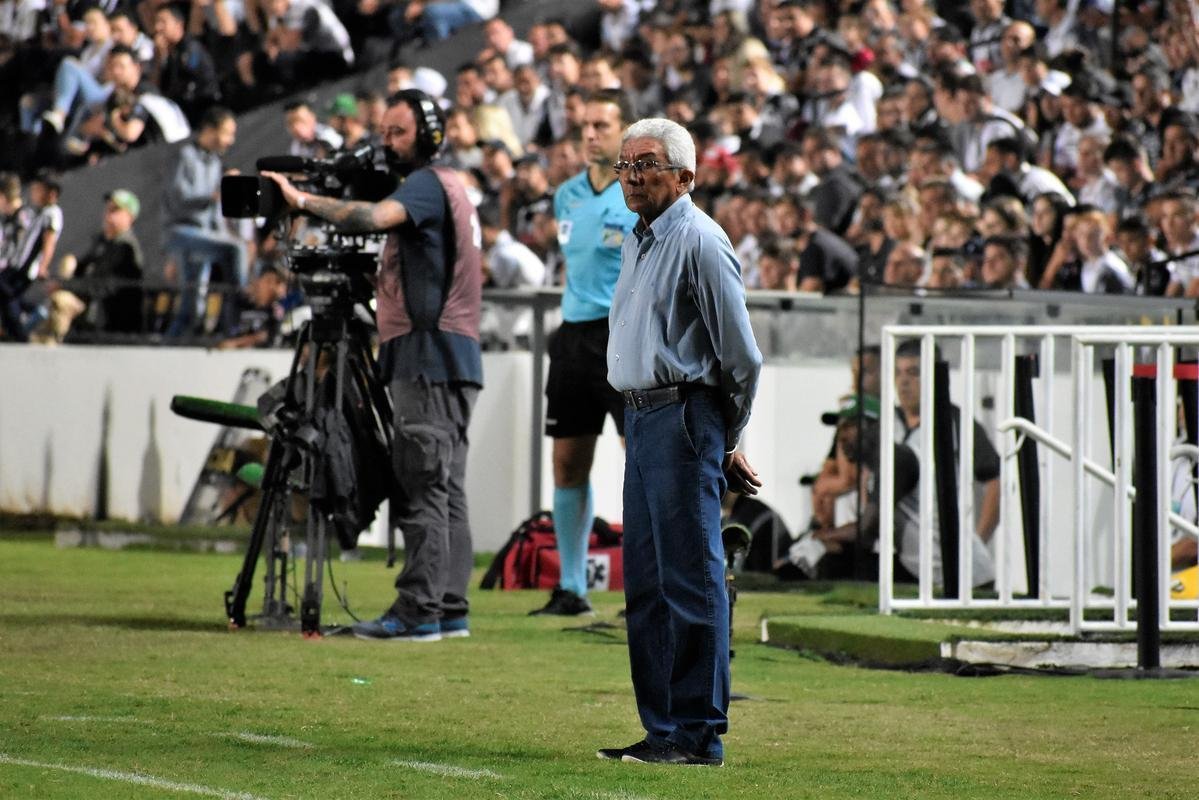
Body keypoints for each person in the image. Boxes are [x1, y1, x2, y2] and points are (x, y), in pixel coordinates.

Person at [262, 88, 483, 643]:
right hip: (449, 354)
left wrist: (302, 201)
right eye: (383, 131)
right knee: (445, 485)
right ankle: (448, 606)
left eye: (398, 132)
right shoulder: (447, 186)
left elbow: (372, 216)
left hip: (428, 354)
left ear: (429, 136)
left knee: (423, 484)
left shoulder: (427, 185)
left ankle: (418, 611)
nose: (386, 143)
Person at [600, 117, 762, 767]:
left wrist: (729, 436)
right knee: (645, 582)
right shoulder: (639, 240)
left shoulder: (698, 239)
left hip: (683, 416)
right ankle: (663, 726)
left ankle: (697, 732)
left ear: (685, 176)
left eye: (645, 165)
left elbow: (741, 358)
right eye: (624, 165)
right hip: (641, 418)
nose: (631, 177)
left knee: (690, 579)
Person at [528, 89, 638, 618]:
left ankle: (645, 586)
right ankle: (572, 588)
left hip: (624, 338)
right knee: (568, 463)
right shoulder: (567, 194)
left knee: (640, 464)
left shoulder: (640, 193)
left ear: (625, 130)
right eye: (585, 125)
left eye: (602, 124)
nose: (590, 133)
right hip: (573, 339)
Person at [162, 105, 244, 337]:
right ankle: (237, 316)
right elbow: (178, 199)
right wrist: (216, 192)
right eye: (227, 133)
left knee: (192, 306)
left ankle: (172, 345)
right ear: (209, 130)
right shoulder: (184, 156)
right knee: (234, 250)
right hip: (181, 231)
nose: (231, 140)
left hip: (204, 234)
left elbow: (213, 211)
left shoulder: (216, 162)